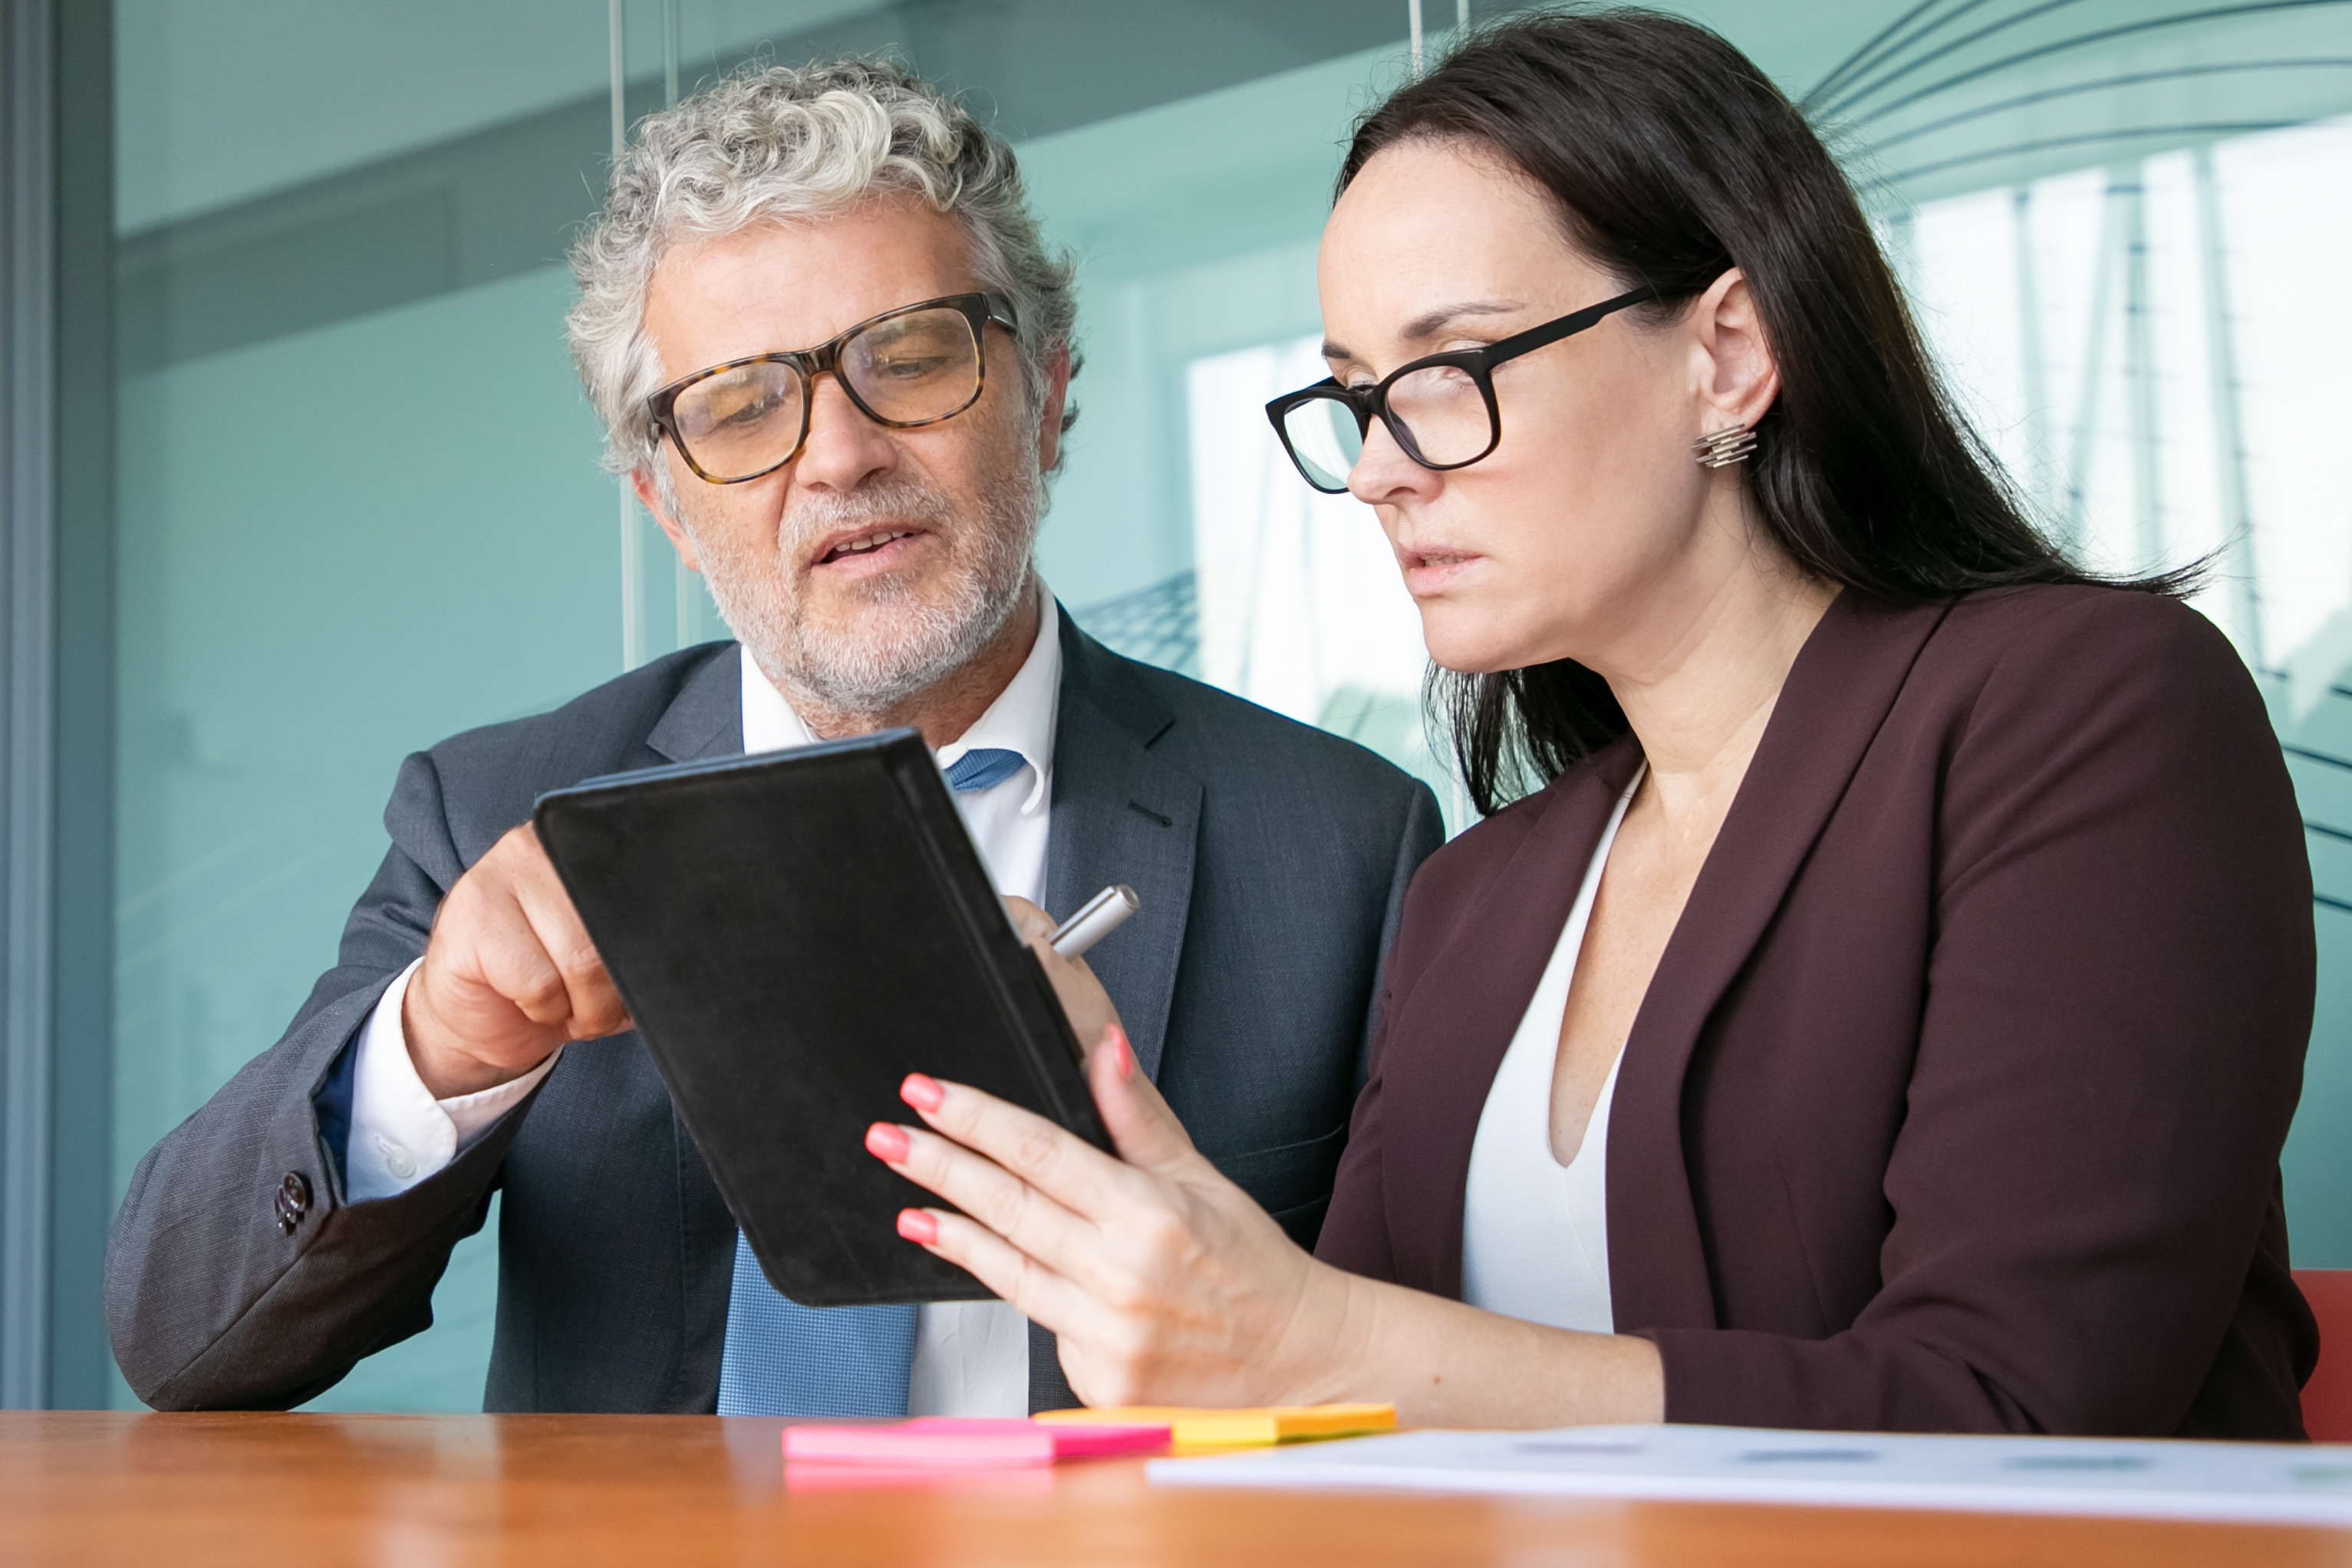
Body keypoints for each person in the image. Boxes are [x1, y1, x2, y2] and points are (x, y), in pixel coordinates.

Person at [865, 11, 2321, 1438]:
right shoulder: (1479, 893)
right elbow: (1354, 1405)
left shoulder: (2086, 713)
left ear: (1729, 350)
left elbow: (2021, 1408)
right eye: (1358, 397)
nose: (1378, 470)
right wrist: (1168, 1218)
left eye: (1449, 371)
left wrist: (1317, 1340)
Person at [104, 61, 1443, 1416]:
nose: (837, 455)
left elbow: (1419, 1380)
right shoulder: (492, 811)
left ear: (1044, 398)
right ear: (664, 506)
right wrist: (436, 1047)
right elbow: (180, 1338)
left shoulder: (1341, 844)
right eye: (742, 407)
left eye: (911, 358)